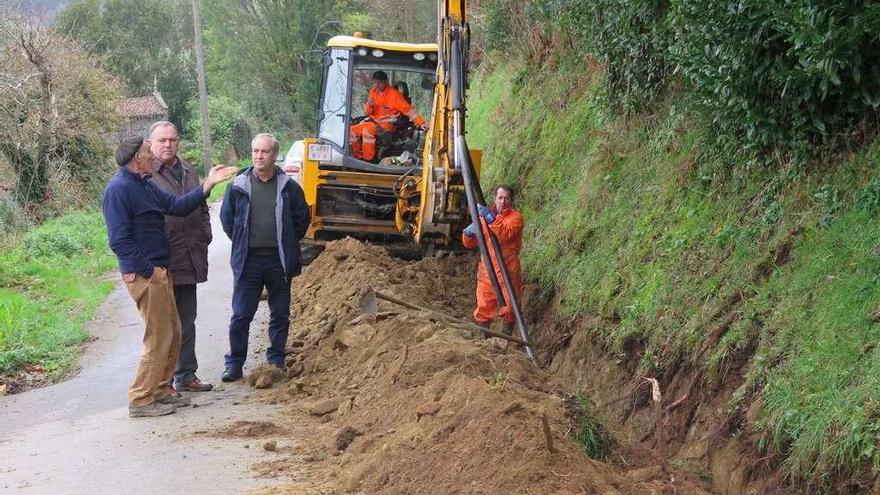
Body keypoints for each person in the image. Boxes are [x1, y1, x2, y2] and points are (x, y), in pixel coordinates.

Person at [102, 134, 236, 417]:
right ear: (138, 157)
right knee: (158, 336)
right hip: (146, 274)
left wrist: (208, 184)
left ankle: (161, 391)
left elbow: (177, 205)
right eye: (149, 149)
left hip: (160, 271)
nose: (154, 153)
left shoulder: (144, 184)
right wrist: (149, 271)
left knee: (173, 333)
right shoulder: (118, 189)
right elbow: (119, 240)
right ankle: (141, 399)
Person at [219, 133, 310, 382]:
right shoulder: (237, 186)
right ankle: (235, 364)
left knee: (279, 313)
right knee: (240, 315)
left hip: (278, 261)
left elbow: (302, 220)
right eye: (256, 151)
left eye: (265, 152)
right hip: (248, 261)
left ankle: (276, 360)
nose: (259, 156)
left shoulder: (289, 187)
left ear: (274, 155)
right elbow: (228, 221)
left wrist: (287, 241)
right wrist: (241, 242)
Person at [148, 121, 213, 393]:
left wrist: (205, 234)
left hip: (190, 256)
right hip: (162, 260)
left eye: (172, 140)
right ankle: (163, 383)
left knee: (187, 320)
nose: (168, 145)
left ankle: (186, 374)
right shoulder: (146, 175)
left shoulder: (188, 170)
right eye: (162, 140)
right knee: (164, 326)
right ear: (151, 144)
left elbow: (201, 206)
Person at [461, 185, 524, 335]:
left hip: (507, 270)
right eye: (500, 198)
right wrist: (468, 233)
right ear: (495, 199)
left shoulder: (515, 218)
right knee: (484, 305)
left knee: (509, 307)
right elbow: (469, 244)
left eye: (506, 198)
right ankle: (483, 338)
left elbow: (504, 234)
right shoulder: (484, 218)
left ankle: (506, 337)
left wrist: (489, 219)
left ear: (511, 200)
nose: (503, 201)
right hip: (487, 270)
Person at [349, 70, 427, 162]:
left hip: (387, 126)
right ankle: (357, 157)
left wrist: (421, 122)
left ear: (386, 81)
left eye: (379, 83)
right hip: (372, 121)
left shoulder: (394, 95)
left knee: (367, 129)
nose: (377, 85)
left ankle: (368, 160)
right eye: (375, 83)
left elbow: (408, 110)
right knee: (350, 130)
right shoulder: (373, 92)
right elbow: (367, 113)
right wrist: (370, 105)